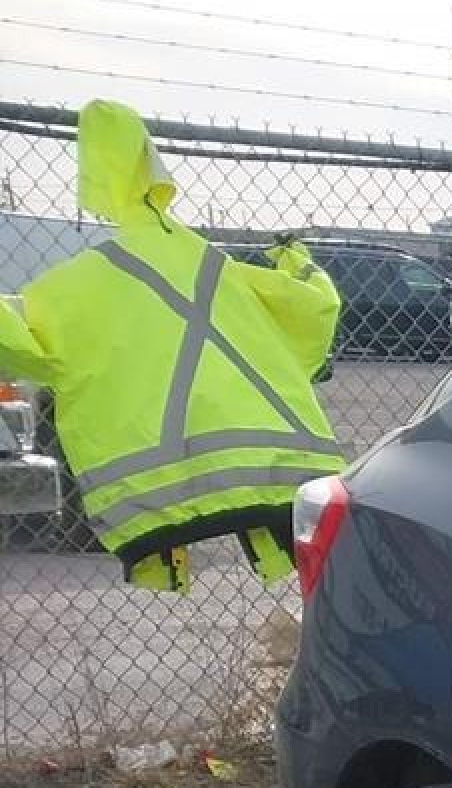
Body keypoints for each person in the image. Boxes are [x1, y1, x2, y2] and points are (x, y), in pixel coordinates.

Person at [0, 101, 343, 590]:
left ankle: (167, 561)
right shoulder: (216, 266)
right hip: (286, 479)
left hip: (150, 505)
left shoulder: (66, 292)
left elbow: (19, 349)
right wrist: (297, 261)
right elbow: (313, 313)